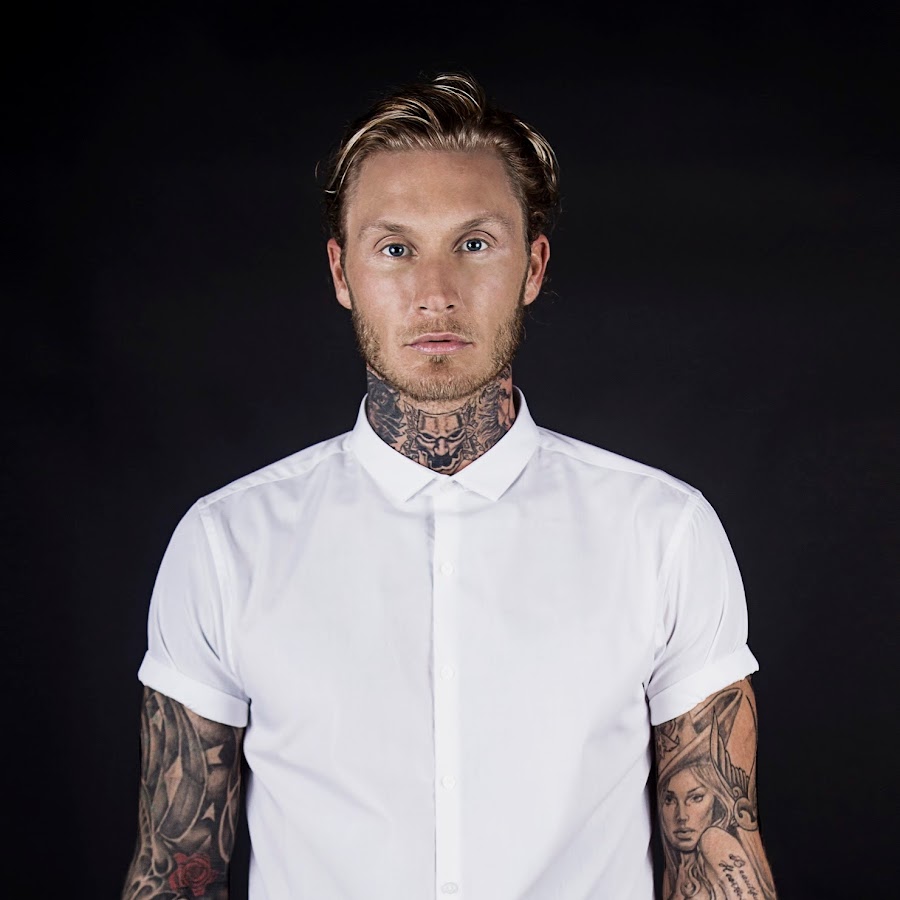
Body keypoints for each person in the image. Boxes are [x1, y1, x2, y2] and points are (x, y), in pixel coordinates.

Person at [122, 71, 777, 899]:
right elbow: (175, 872)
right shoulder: (226, 545)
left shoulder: (663, 532)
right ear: (342, 273)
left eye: (474, 245)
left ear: (533, 265)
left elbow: (716, 853)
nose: (435, 295)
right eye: (395, 249)